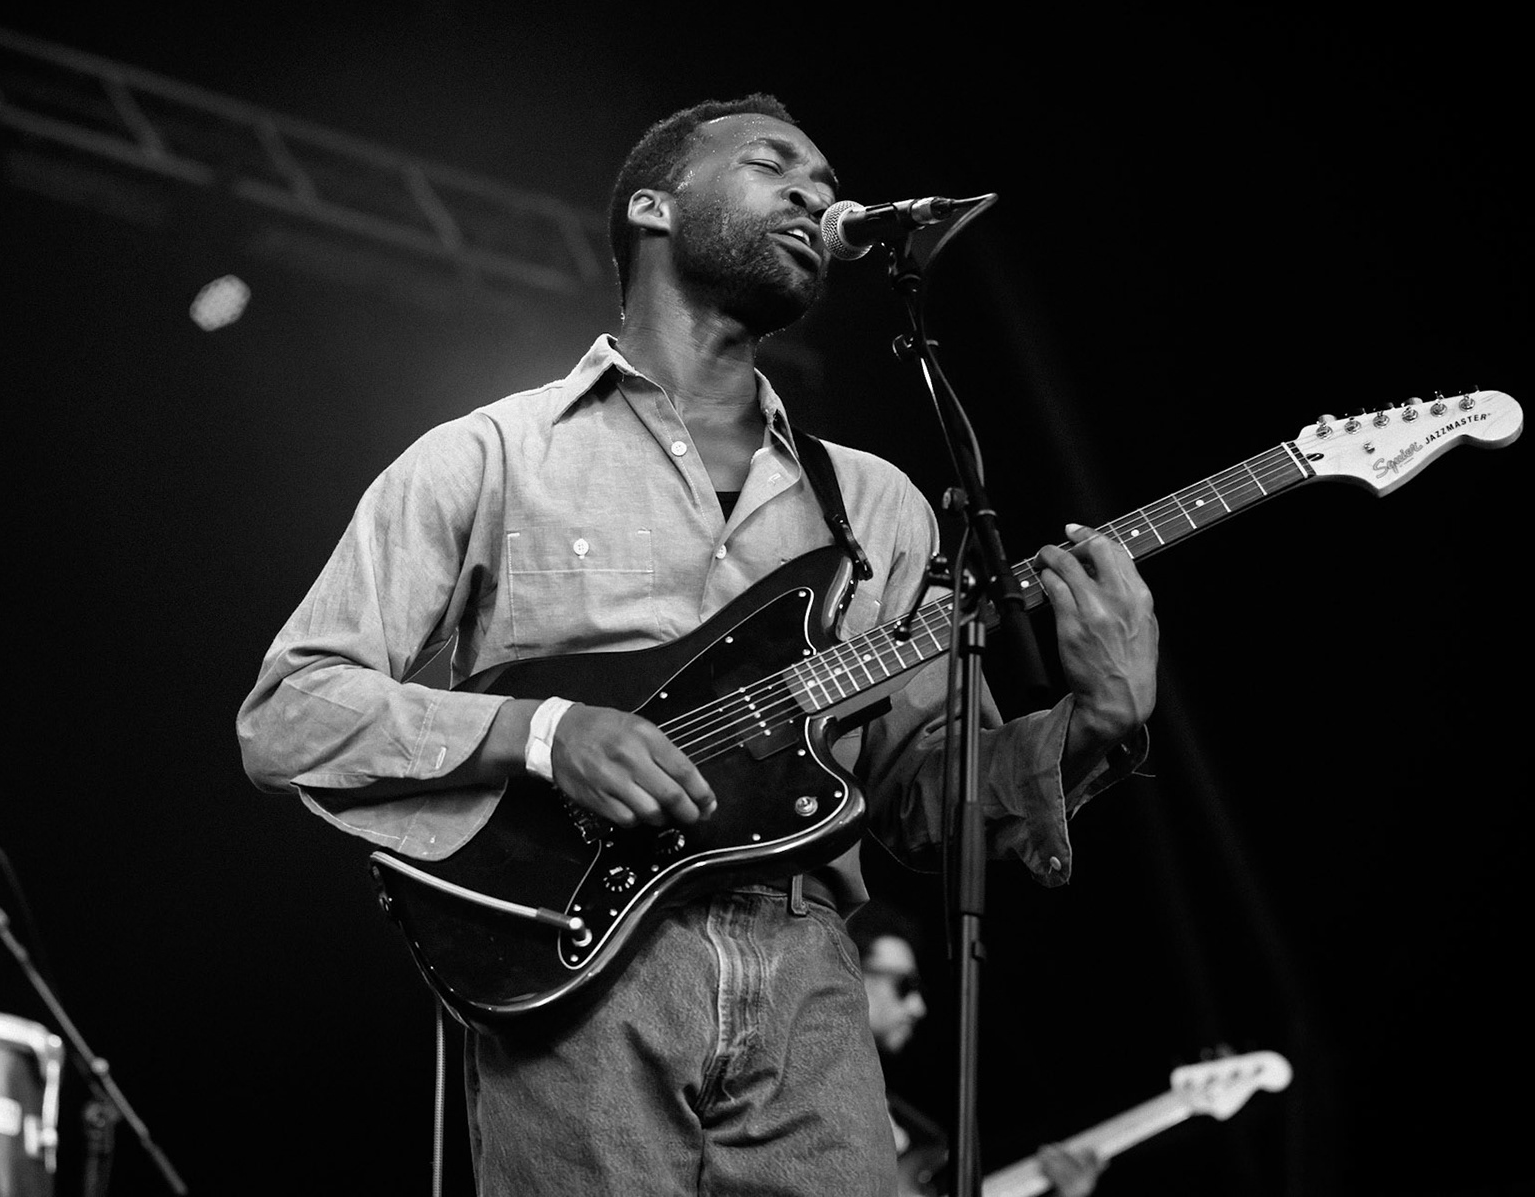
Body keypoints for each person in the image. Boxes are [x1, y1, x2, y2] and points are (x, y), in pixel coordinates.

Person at [237, 94, 1160, 1194]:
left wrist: (1097, 720)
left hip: (813, 982)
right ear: (653, 207)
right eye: (776, 165)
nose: (816, 192)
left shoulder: (879, 504)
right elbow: (290, 712)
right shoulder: (488, 455)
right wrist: (543, 734)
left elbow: (927, 800)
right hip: (581, 981)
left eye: (825, 179)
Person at [849, 899, 1103, 1196]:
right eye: (905, 985)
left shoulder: (910, 1126)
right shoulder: (818, 1092)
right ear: (852, 975)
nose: (918, 1007)